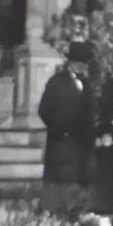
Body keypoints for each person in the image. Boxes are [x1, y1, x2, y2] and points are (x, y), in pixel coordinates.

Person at [38, 60, 93, 215]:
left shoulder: (86, 84)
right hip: (61, 139)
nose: (81, 66)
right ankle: (54, 213)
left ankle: (75, 212)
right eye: (78, 62)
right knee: (59, 177)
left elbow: (90, 111)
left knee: (78, 176)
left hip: (81, 140)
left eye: (83, 63)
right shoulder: (56, 83)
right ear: (70, 64)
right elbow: (44, 110)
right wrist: (60, 129)